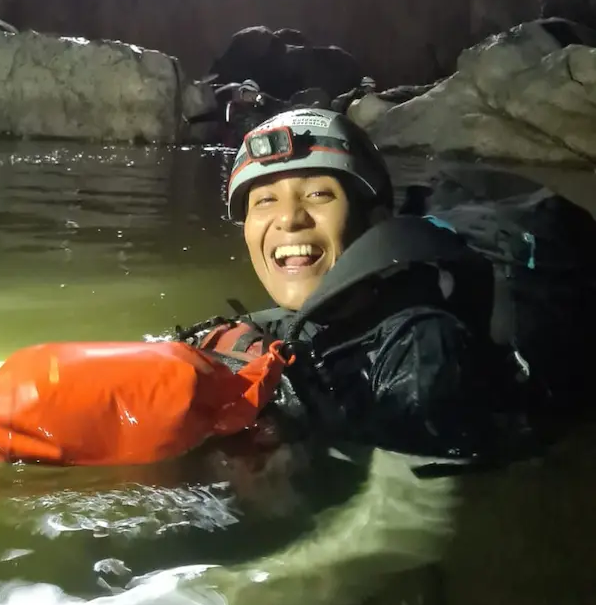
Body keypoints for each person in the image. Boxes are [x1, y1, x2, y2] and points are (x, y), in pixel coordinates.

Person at [191, 106, 596, 467]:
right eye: (265, 201)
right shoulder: (266, 329)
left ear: (376, 222)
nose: (289, 218)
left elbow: (408, 527)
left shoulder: (421, 355)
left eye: (318, 194)